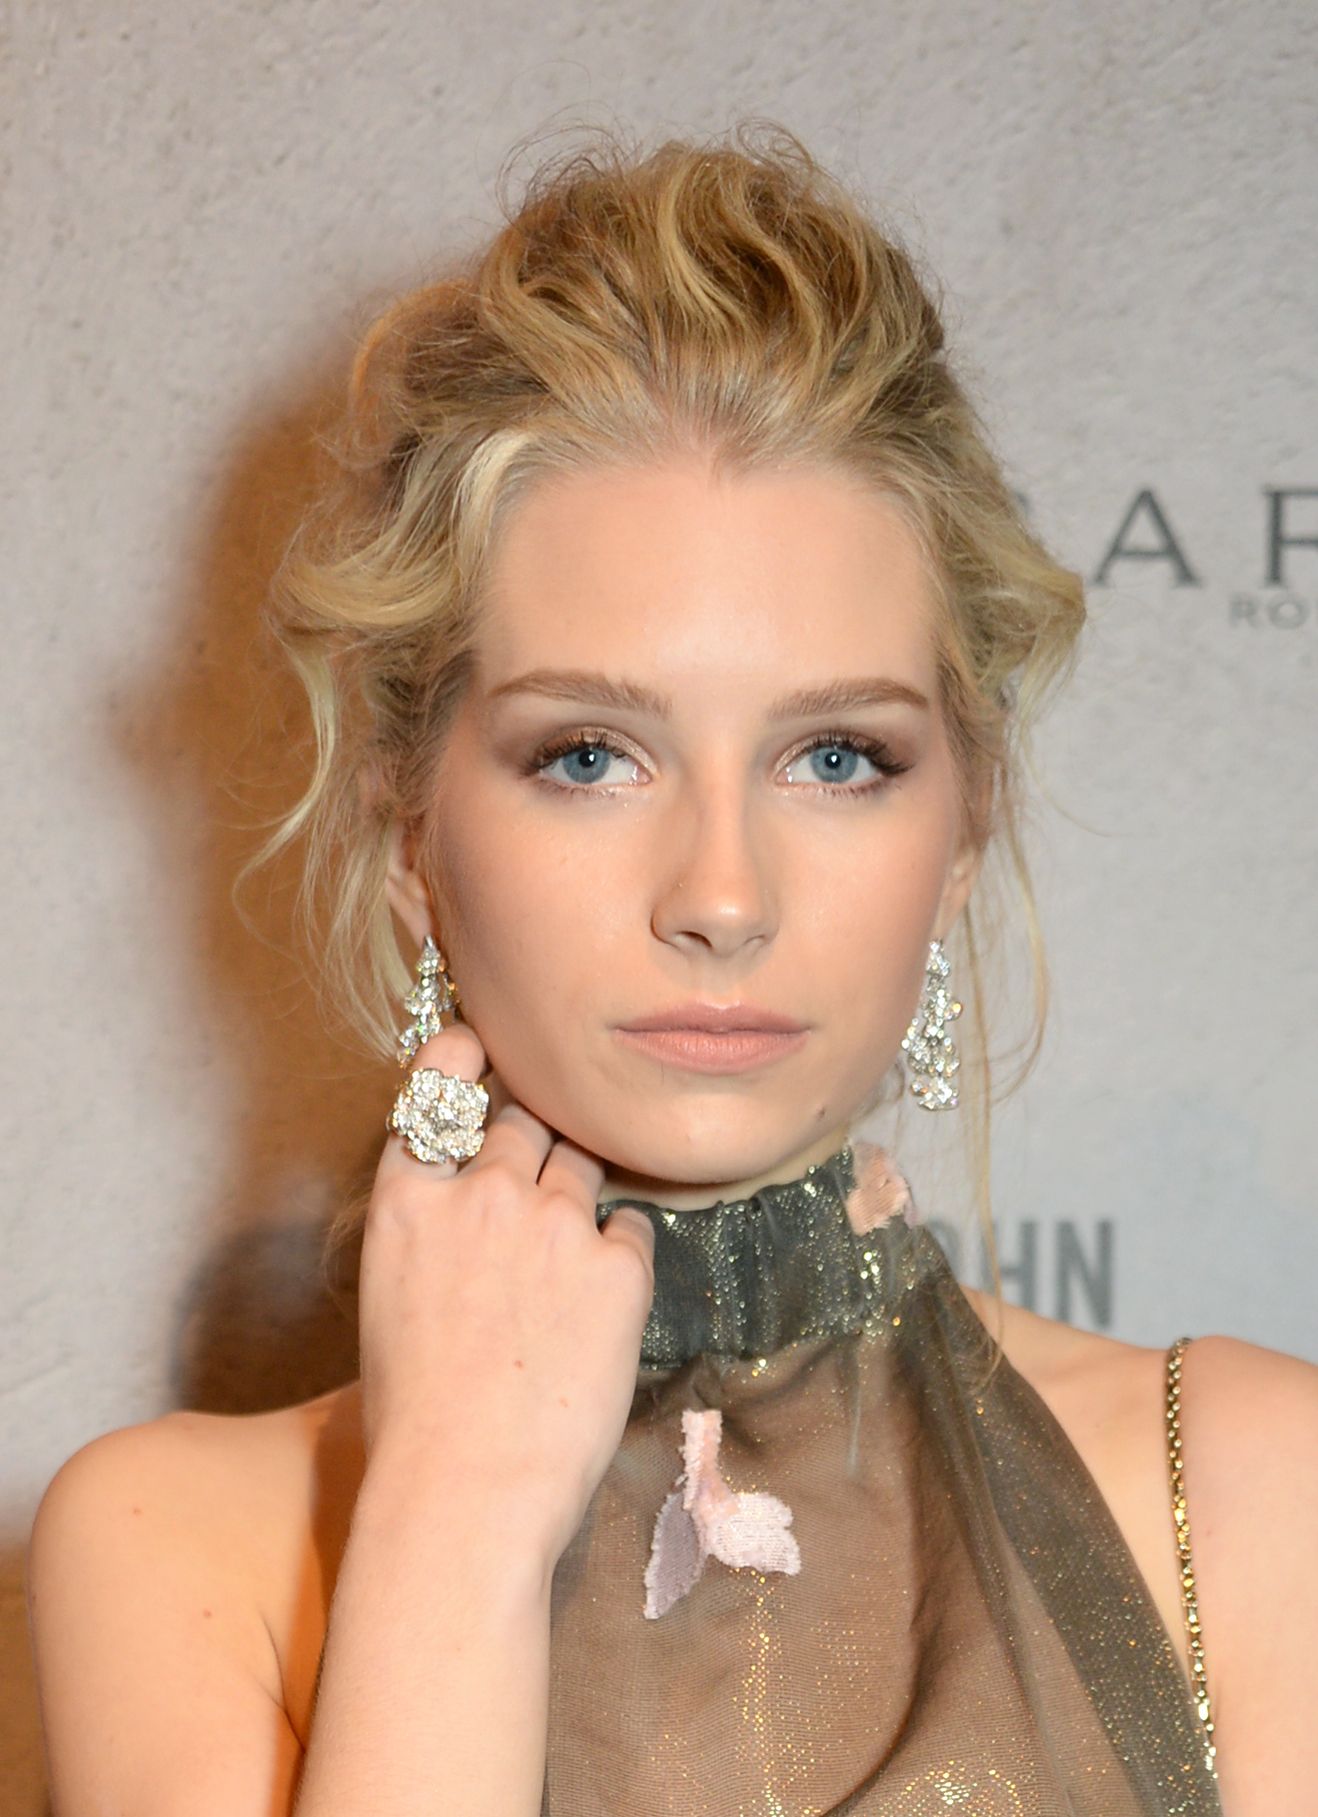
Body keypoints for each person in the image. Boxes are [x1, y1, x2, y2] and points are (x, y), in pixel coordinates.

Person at [25, 123, 1315, 1816]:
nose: (720, 893)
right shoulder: (178, 1548)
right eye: (588, 755)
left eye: (837, 757)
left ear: (965, 824)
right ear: (408, 832)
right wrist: (453, 1520)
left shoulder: (1249, 1493)